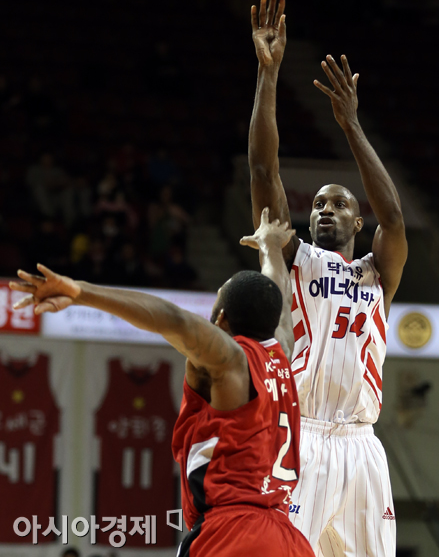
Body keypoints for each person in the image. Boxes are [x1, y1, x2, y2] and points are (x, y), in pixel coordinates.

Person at [11, 209, 315, 557]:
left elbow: (173, 319)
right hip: (288, 537)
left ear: (221, 319)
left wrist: (81, 292)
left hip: (234, 533)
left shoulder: (230, 359)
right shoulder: (282, 352)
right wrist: (271, 247)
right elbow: (279, 296)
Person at [249, 0, 408, 557]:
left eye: (339, 204)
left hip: (362, 445)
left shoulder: (377, 273)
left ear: (357, 222)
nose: (324, 210)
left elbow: (394, 218)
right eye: (317, 203)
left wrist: (350, 124)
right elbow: (263, 168)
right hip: (304, 435)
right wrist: (269, 74)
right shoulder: (295, 256)